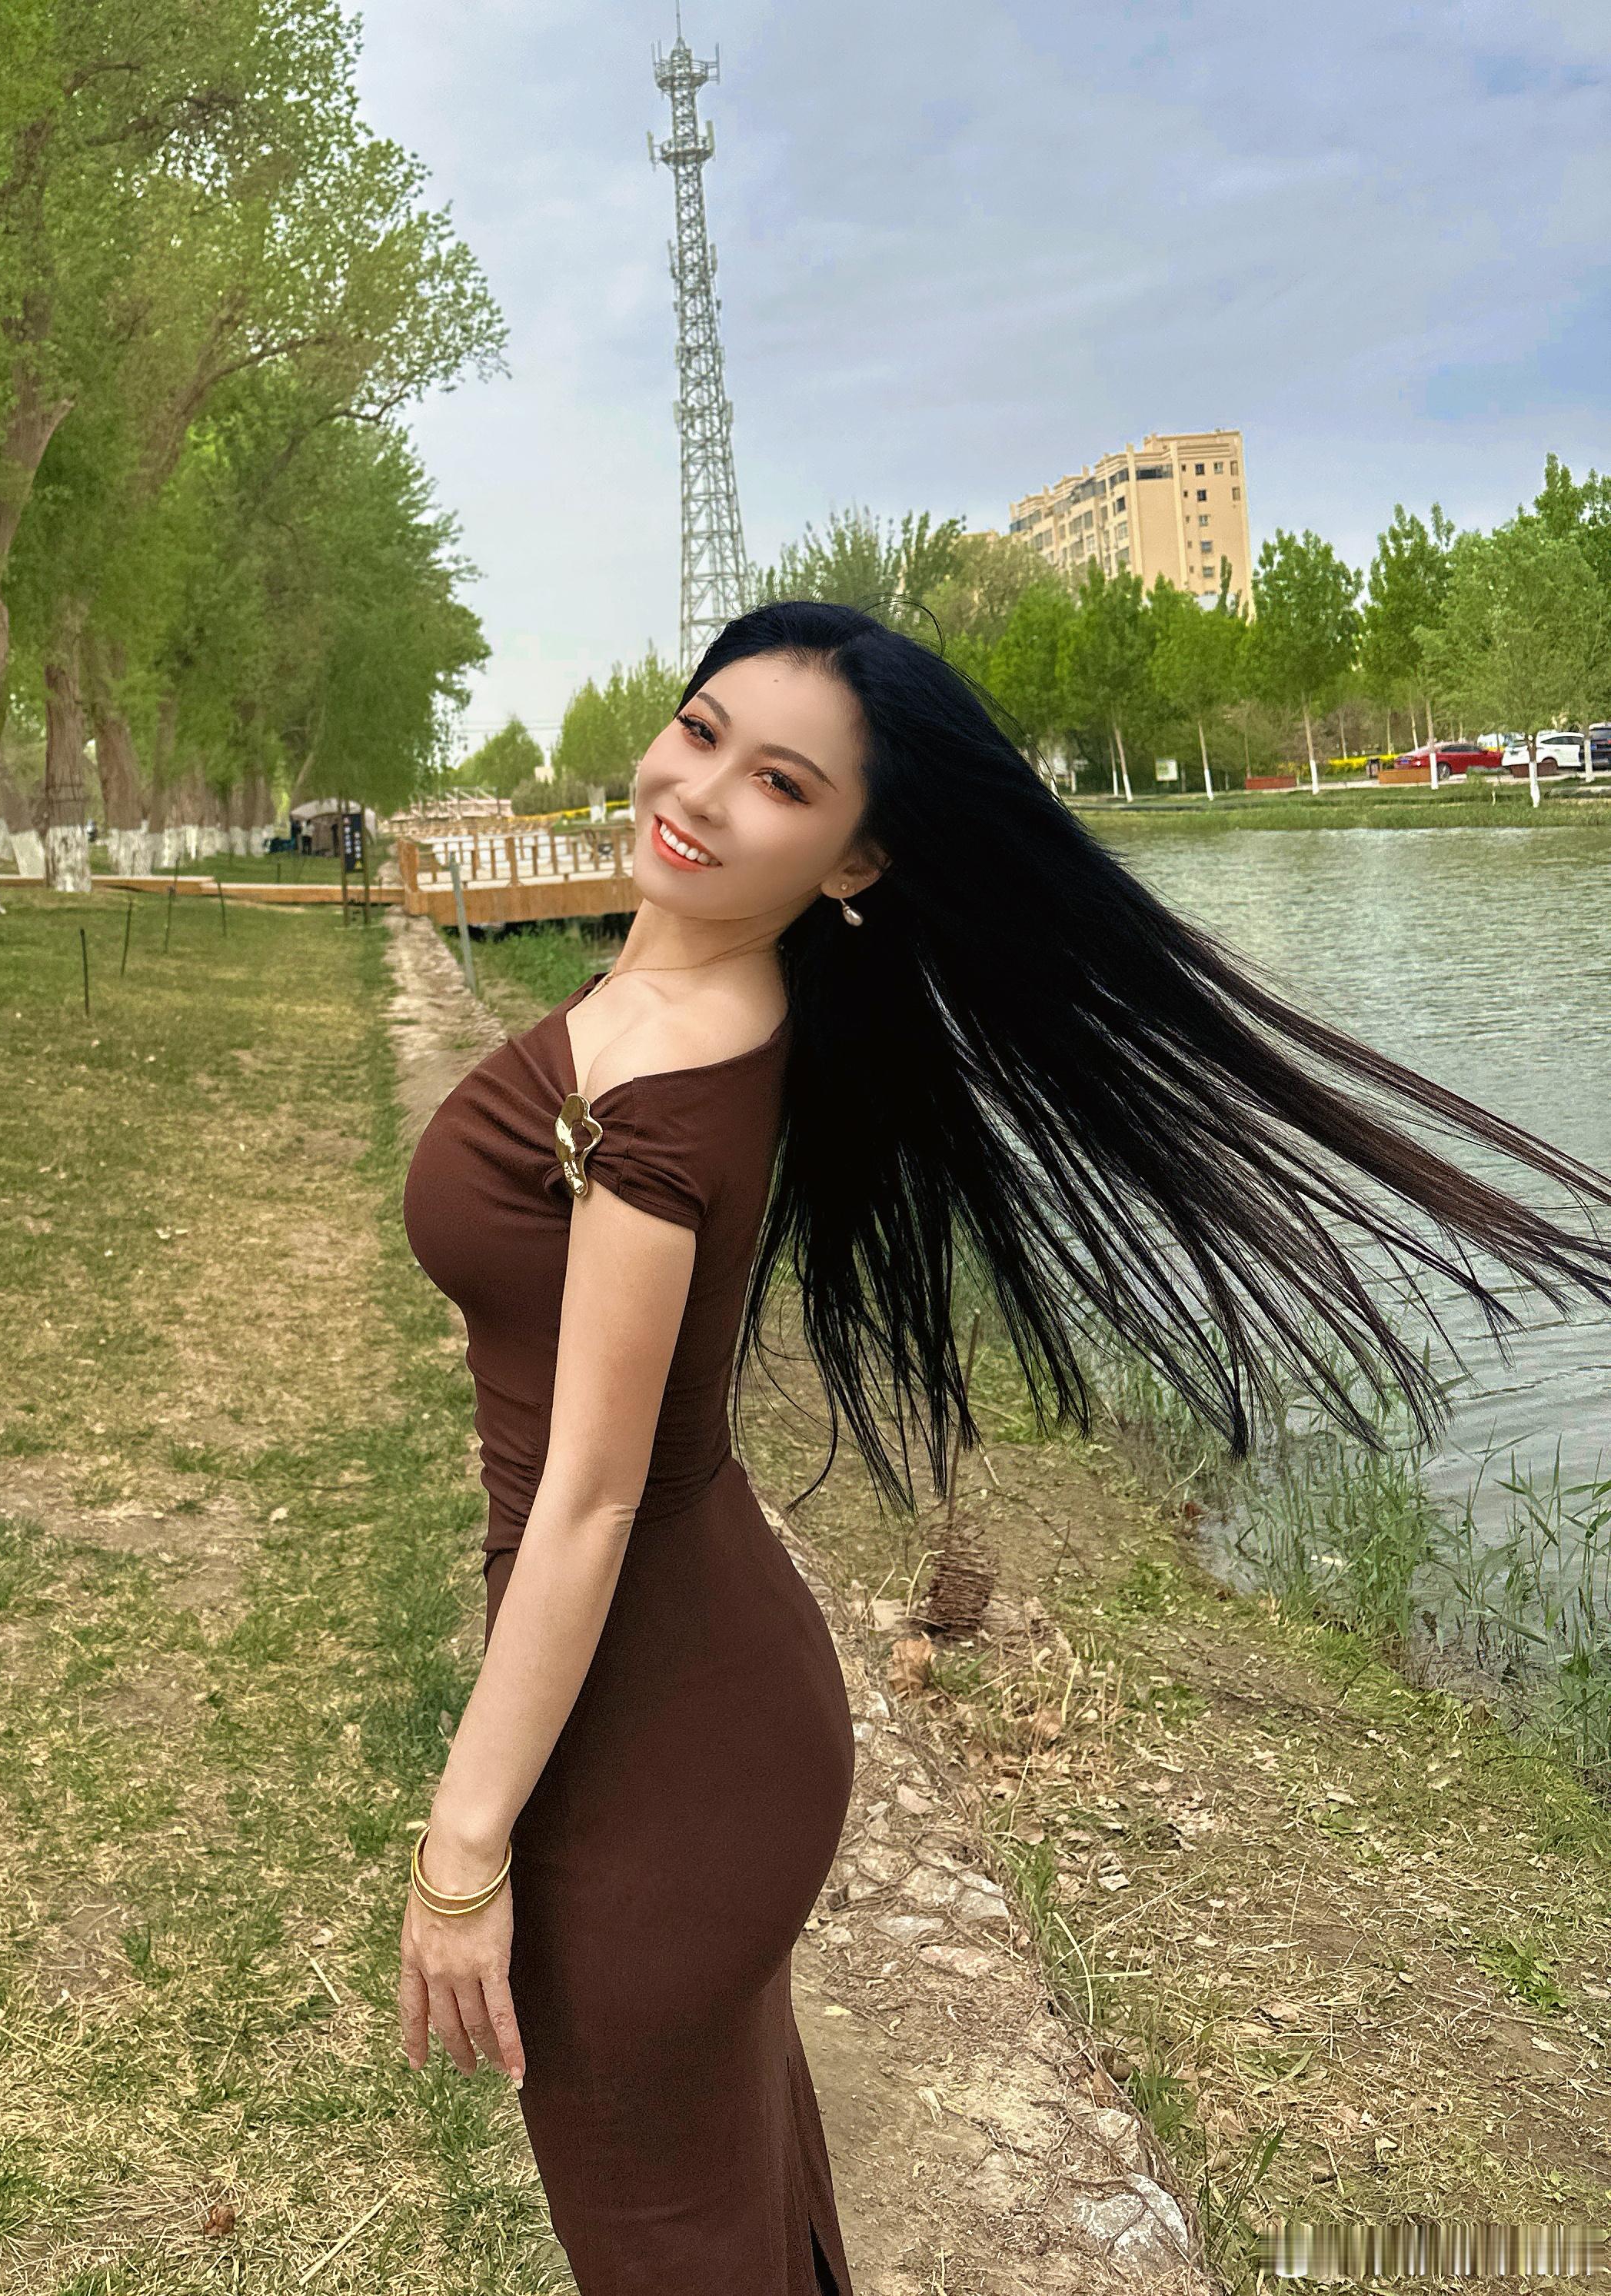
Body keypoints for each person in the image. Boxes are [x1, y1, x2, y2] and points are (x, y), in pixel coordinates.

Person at [397, 601, 1611, 2294]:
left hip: (657, 1740)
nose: (700, 790)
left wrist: (461, 1854)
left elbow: (589, 1502)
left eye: (780, 783)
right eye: (701, 729)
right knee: (730, 2203)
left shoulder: (661, 1084)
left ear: (853, 861)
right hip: (690, 1690)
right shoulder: (691, 999)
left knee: (667, 2236)